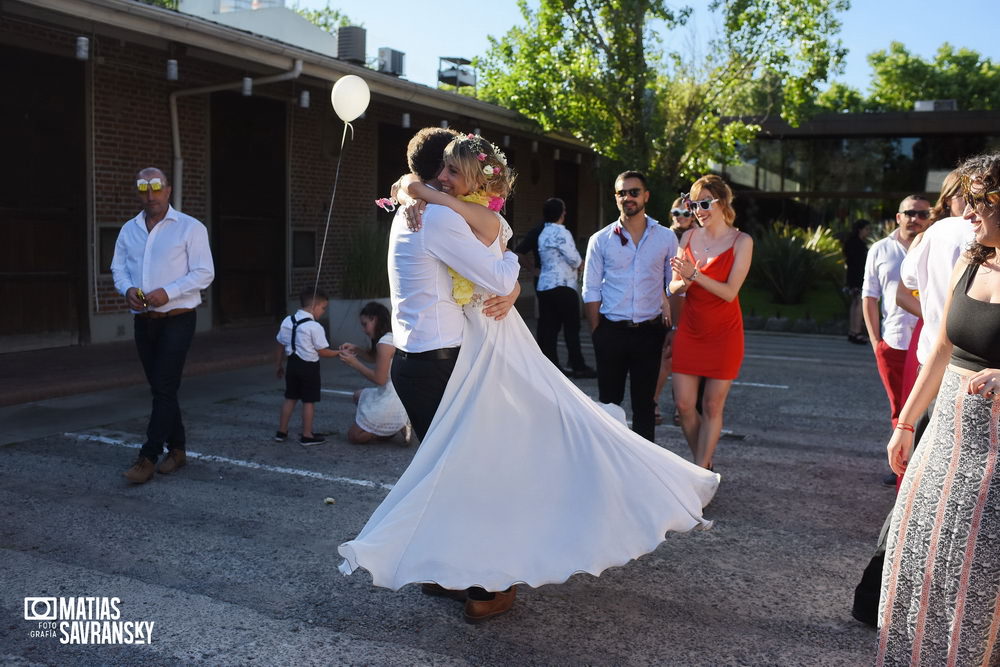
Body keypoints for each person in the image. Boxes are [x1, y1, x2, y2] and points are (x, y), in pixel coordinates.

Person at [339, 133, 719, 625]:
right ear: (440, 174)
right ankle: (485, 585)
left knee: (448, 473)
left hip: (421, 359)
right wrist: (514, 277)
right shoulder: (436, 215)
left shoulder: (412, 208)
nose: (450, 179)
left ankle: (447, 568)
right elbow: (497, 279)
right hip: (439, 361)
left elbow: (482, 262)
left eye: (460, 171)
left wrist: (431, 197)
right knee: (475, 474)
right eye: (448, 170)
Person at [877, 153, 1000, 665]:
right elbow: (942, 350)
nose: (965, 211)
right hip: (946, 432)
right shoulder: (971, 260)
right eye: (964, 200)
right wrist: (906, 423)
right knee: (919, 557)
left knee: (981, 577)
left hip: (995, 447)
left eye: (978, 201)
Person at [850, 173, 971, 625]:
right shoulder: (963, 237)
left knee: (919, 494)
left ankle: (878, 599)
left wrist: (905, 421)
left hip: (938, 369)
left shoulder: (937, 235)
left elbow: (909, 294)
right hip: (953, 375)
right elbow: (937, 328)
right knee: (930, 494)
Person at [111, 167, 215, 484]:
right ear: (138, 192)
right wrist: (127, 289)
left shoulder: (190, 228)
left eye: (156, 187)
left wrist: (167, 292)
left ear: (168, 190)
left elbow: (204, 273)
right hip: (144, 322)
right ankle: (179, 450)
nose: (150, 193)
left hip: (178, 319)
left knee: (164, 387)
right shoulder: (129, 230)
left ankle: (149, 456)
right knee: (161, 388)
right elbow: (118, 268)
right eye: (143, 187)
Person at [582, 171, 677, 442]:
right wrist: (597, 330)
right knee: (609, 406)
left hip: (649, 331)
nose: (628, 198)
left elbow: (673, 285)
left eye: (633, 192)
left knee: (644, 405)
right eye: (621, 193)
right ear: (616, 198)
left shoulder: (666, 238)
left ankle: (644, 468)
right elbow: (590, 288)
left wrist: (672, 323)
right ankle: (609, 462)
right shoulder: (600, 239)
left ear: (646, 196)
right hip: (611, 330)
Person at [668, 175, 753, 470]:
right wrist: (685, 282)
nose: (698, 211)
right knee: (683, 405)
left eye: (705, 203)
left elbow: (730, 292)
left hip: (724, 334)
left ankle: (700, 471)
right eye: (693, 204)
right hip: (690, 331)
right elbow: (674, 287)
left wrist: (696, 277)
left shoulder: (742, 241)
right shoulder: (688, 237)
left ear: (722, 202)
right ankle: (703, 466)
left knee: (713, 405)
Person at [862, 196, 930, 486]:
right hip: (894, 341)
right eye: (910, 213)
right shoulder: (880, 249)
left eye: (922, 213)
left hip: (929, 341)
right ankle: (902, 467)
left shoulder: (934, 246)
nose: (915, 218)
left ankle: (920, 467)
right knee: (899, 408)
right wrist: (875, 340)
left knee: (926, 406)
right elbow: (869, 296)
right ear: (898, 217)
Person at [654, 197, 702, 424]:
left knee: (687, 358)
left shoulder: (701, 236)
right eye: (676, 212)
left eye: (685, 213)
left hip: (694, 300)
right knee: (667, 356)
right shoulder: (664, 236)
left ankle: (681, 407)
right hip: (669, 297)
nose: (680, 217)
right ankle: (652, 401)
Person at [535, 197, 595, 378]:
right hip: (563, 285)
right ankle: (577, 365)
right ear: (561, 213)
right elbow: (574, 259)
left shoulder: (543, 233)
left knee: (549, 328)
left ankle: (550, 365)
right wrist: (581, 262)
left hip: (545, 286)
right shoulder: (562, 232)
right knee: (571, 328)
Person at [274, 287, 340, 445]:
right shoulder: (315, 327)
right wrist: (338, 353)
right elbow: (323, 351)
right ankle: (307, 435)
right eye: (323, 308)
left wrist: (278, 365)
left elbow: (280, 345)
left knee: (290, 398)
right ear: (314, 306)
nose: (323, 312)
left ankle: (281, 432)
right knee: (308, 401)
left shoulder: (287, 321)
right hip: (309, 368)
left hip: (292, 365)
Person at [338, 301, 410, 445]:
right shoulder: (390, 336)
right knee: (358, 396)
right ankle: (396, 424)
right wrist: (356, 349)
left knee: (354, 436)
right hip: (400, 395)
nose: (364, 330)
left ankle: (396, 423)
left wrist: (355, 363)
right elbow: (374, 358)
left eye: (365, 324)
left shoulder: (384, 344)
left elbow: (380, 379)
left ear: (375, 319)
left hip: (392, 398)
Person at [843, 219, 872, 345]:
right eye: (866, 229)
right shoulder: (856, 244)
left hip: (854, 276)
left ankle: (853, 331)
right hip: (857, 276)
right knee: (858, 303)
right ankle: (856, 331)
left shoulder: (853, 242)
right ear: (860, 229)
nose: (868, 232)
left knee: (855, 303)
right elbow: (856, 262)